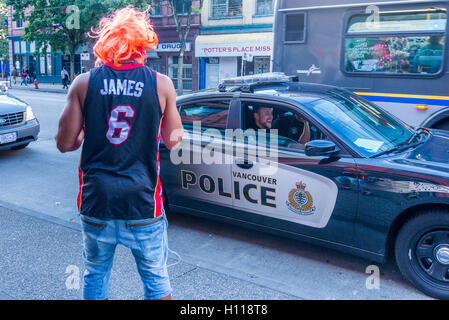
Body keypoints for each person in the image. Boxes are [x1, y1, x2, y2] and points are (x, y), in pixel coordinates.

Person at [55, 6, 183, 300]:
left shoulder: (84, 83)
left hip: (96, 200)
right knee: (155, 279)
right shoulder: (162, 84)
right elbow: (174, 141)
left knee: (96, 275)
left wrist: (88, 129)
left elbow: (64, 143)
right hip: (143, 202)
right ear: (143, 44)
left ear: (106, 44)